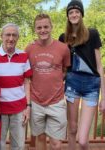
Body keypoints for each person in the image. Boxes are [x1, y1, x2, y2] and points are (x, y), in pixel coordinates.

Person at [58, 0, 105, 150]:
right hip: (72, 84)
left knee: (83, 140)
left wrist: (104, 97)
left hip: (92, 86)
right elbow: (62, 67)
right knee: (72, 129)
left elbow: (99, 67)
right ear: (68, 16)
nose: (74, 14)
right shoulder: (63, 38)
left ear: (81, 14)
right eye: (71, 12)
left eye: (77, 11)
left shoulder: (92, 34)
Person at [25, 14, 70, 150]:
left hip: (56, 102)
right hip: (36, 102)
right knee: (40, 138)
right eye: (39, 27)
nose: (43, 30)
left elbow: (65, 70)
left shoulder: (63, 48)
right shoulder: (29, 49)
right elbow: (25, 73)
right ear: (35, 29)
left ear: (51, 27)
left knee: (56, 144)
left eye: (45, 26)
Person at [0, 23, 32, 150]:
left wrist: (28, 106)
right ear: (1, 36)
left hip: (19, 109)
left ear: (18, 38)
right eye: (8, 35)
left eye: (14, 35)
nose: (11, 38)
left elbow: (27, 82)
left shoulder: (24, 56)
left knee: (19, 146)